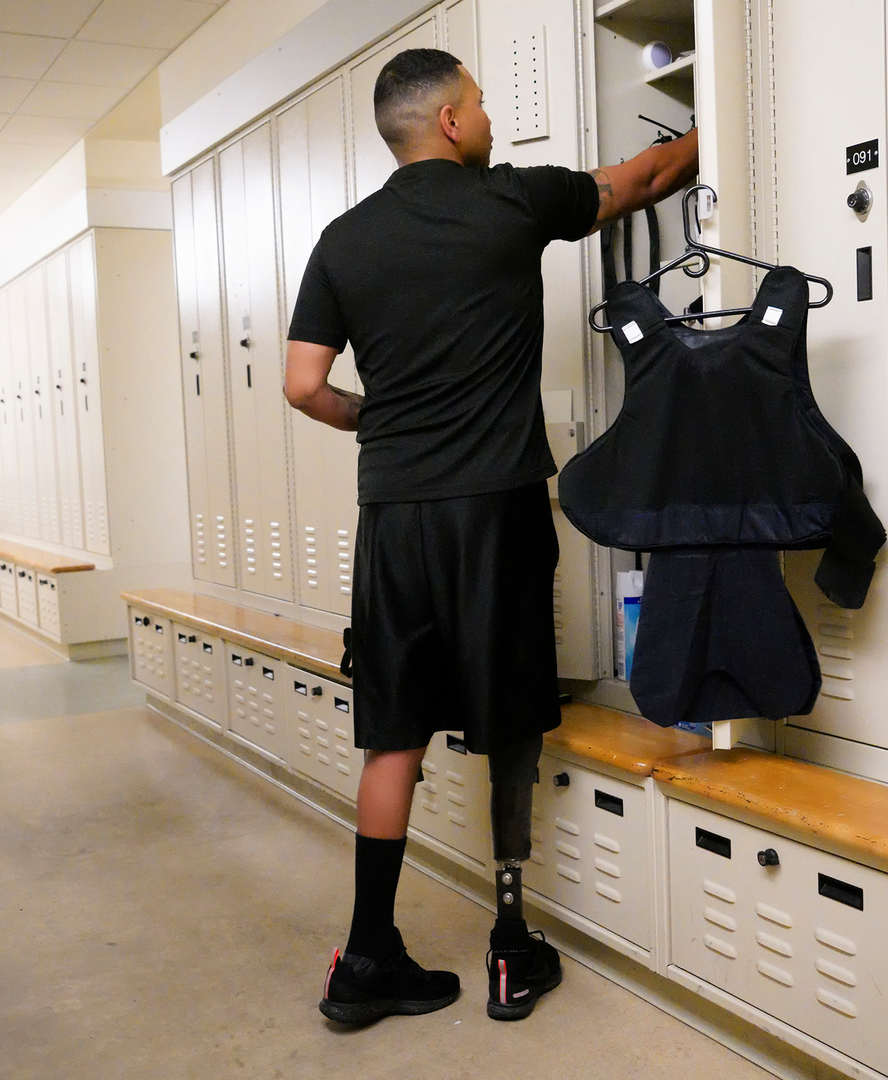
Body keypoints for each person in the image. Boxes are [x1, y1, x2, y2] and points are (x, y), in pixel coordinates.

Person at [284, 48, 698, 1024]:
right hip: (496, 508)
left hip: (394, 519)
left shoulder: (343, 241)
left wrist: (376, 422)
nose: (491, 117)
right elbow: (644, 178)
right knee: (507, 726)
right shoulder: (514, 202)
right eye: (481, 102)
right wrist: (712, 116)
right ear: (453, 123)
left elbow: (302, 384)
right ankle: (511, 950)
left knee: (392, 737)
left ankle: (368, 959)